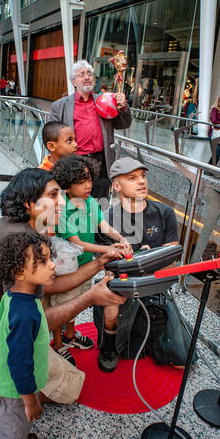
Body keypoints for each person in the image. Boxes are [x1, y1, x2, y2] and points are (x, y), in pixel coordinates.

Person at [0, 168, 125, 410]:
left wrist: (97, 264)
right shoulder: (25, 246)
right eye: (53, 196)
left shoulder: (11, 226)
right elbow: (37, 323)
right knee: (70, 389)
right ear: (28, 203)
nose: (62, 202)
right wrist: (91, 298)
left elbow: (48, 286)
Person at [94, 157, 198, 372]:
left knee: (182, 362)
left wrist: (149, 261)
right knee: (111, 309)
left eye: (143, 176)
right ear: (116, 185)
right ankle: (110, 343)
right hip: (121, 285)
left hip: (155, 283)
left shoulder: (165, 213)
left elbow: (172, 261)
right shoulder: (107, 220)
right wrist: (136, 261)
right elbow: (105, 267)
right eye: (132, 178)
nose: (142, 182)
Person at [50, 155, 132, 365]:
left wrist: (120, 238)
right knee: (64, 302)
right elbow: (77, 242)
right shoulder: (62, 208)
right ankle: (58, 343)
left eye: (89, 179)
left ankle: (70, 335)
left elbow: (102, 226)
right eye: (81, 181)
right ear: (67, 185)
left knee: (77, 300)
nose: (88, 185)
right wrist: (107, 249)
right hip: (66, 267)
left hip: (85, 264)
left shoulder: (91, 202)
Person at [0, 232, 56, 439]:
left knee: (15, 422)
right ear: (19, 272)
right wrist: (30, 402)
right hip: (16, 389)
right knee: (13, 429)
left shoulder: (14, 295)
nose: (52, 265)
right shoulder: (25, 313)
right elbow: (19, 361)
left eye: (50, 258)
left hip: (15, 383)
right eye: (42, 262)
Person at [49, 59, 132, 201]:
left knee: (100, 204)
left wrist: (123, 107)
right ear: (73, 82)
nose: (87, 77)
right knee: (75, 204)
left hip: (102, 163)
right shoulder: (60, 106)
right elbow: (51, 138)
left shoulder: (106, 100)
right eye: (81, 74)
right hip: (74, 162)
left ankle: (97, 224)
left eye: (89, 74)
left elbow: (123, 124)